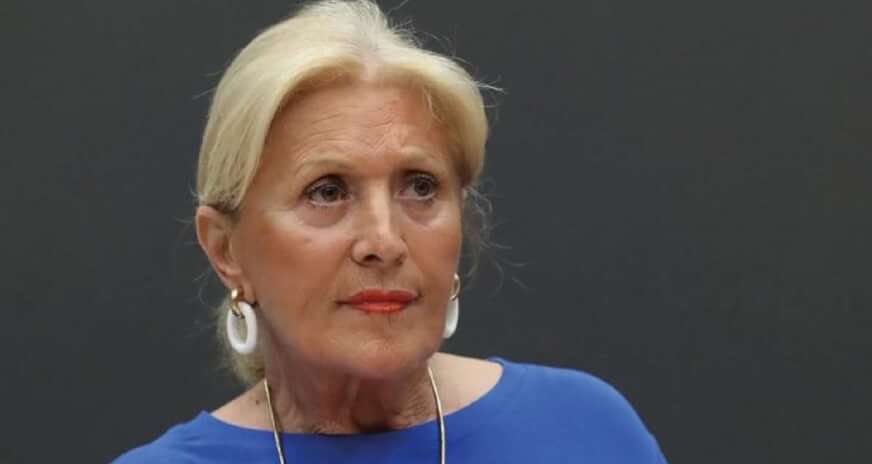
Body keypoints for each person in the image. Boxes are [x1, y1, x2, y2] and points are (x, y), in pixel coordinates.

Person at [113, 1, 667, 462]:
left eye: (420, 187)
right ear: (226, 250)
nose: (384, 241)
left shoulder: (584, 431)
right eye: (327, 191)